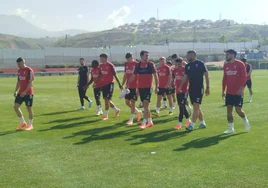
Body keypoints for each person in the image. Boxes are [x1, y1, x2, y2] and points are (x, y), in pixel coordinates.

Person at [178, 50, 210, 131]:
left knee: (196, 106)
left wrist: (207, 87)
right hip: (191, 88)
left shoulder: (200, 63)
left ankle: (191, 125)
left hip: (199, 88)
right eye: (187, 55)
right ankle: (202, 123)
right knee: (197, 107)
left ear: (194, 55)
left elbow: (206, 75)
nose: (187, 57)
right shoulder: (188, 65)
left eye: (189, 55)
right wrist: (180, 86)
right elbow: (185, 76)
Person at [222, 49, 250, 134]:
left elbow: (244, 77)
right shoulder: (226, 65)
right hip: (229, 92)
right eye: (226, 54)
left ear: (233, 55)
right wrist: (223, 91)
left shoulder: (240, 64)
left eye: (228, 54)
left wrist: (241, 88)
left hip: (238, 92)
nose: (226, 56)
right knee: (229, 110)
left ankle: (245, 120)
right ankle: (231, 128)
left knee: (238, 110)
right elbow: (225, 78)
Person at [129, 50, 158, 129]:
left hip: (148, 87)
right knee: (145, 105)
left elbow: (155, 76)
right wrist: (128, 84)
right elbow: (133, 75)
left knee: (145, 103)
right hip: (140, 88)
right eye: (146, 55)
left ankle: (144, 122)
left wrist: (156, 86)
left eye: (148, 55)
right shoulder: (138, 65)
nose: (147, 57)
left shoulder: (151, 64)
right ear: (141, 56)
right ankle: (150, 121)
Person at [98, 53, 122, 120]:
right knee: (106, 99)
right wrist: (96, 82)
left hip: (110, 84)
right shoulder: (101, 66)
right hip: (104, 85)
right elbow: (100, 75)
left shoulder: (110, 65)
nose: (100, 59)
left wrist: (120, 84)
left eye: (101, 58)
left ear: (105, 58)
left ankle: (105, 115)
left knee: (106, 100)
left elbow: (115, 75)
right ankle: (116, 110)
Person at [14, 57, 34, 131]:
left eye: (19, 63)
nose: (18, 65)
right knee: (15, 107)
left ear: (23, 62)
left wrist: (25, 92)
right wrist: (16, 91)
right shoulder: (19, 71)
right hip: (20, 93)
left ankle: (30, 125)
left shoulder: (29, 70)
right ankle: (22, 122)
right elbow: (18, 82)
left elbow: (31, 82)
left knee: (29, 109)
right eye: (17, 64)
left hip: (28, 93)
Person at [121, 53, 142, 125]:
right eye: (127, 59)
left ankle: (131, 119)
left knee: (133, 102)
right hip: (128, 86)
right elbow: (125, 74)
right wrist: (122, 83)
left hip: (135, 86)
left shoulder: (137, 64)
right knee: (127, 102)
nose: (128, 60)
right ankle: (138, 111)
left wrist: (138, 88)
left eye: (129, 58)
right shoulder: (126, 64)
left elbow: (139, 76)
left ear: (132, 57)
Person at [173, 58, 192, 129]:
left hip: (184, 91)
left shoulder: (185, 69)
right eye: (176, 64)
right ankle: (188, 121)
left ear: (182, 62)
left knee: (181, 106)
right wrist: (171, 83)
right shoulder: (175, 70)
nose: (178, 65)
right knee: (182, 106)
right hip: (177, 91)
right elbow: (173, 78)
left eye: (179, 64)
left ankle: (179, 123)